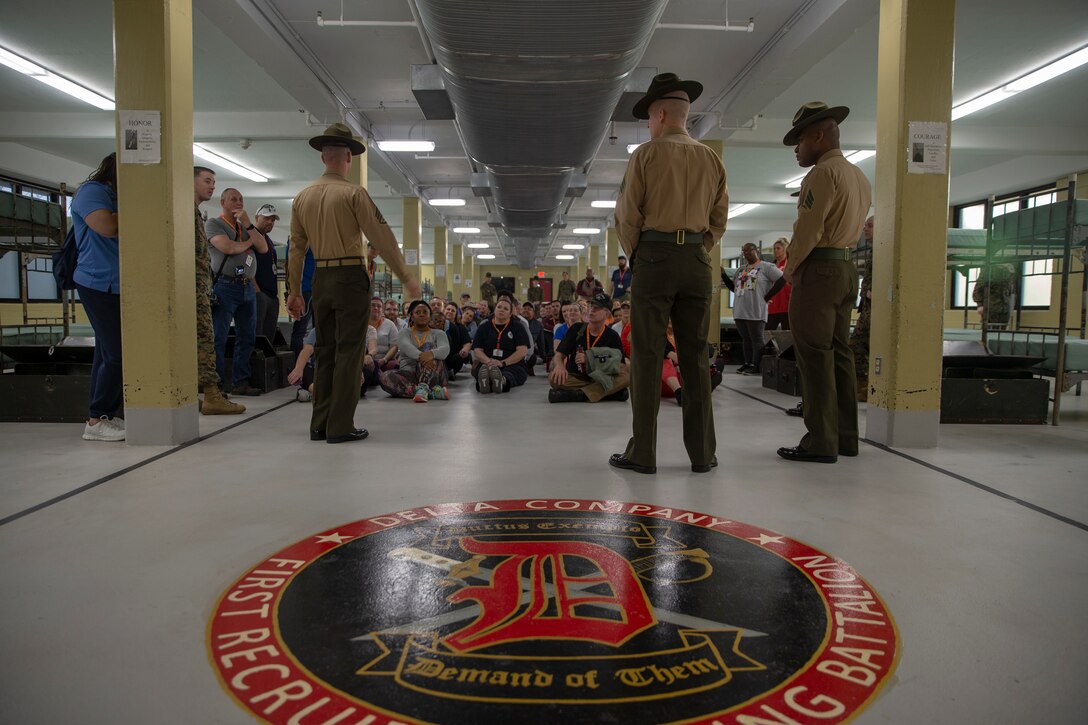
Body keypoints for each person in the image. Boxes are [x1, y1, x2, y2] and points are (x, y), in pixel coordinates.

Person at [611, 72, 728, 475]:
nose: (649, 123)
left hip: (655, 257)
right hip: (697, 261)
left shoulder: (645, 155)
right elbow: (719, 218)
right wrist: (697, 248)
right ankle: (702, 454)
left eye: (649, 116)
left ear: (660, 114)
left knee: (645, 355)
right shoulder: (712, 159)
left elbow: (627, 217)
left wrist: (642, 255)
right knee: (695, 356)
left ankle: (643, 452)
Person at [287, 122, 421, 443]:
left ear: (323, 158)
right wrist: (406, 277)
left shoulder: (301, 198)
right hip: (350, 277)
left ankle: (319, 424)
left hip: (321, 278)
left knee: (325, 350)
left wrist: (293, 291)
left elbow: (295, 248)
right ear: (349, 157)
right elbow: (383, 239)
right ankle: (341, 425)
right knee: (349, 352)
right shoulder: (353, 193)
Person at [776, 102, 872, 464]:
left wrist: (790, 268)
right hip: (847, 271)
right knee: (840, 356)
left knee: (814, 357)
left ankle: (819, 441)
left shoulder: (821, 174)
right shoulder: (858, 175)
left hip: (819, 272)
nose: (798, 149)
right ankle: (845, 437)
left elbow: (809, 229)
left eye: (800, 140)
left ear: (819, 134)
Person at [71, 153, 124, 441]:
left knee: (107, 352)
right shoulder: (92, 192)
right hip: (97, 282)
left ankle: (101, 415)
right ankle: (96, 419)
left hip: (119, 285)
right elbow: (107, 226)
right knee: (117, 353)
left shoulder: (114, 195)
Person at [205, 187, 268, 396]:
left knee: (247, 336)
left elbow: (264, 248)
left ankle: (241, 382)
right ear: (223, 202)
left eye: (241, 199)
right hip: (225, 287)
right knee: (219, 337)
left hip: (247, 287)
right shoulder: (214, 224)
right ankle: (217, 385)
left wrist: (249, 225)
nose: (238, 202)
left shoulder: (244, 227)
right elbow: (228, 248)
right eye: (233, 199)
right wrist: (249, 242)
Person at [193, 166, 244, 415]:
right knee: (208, 341)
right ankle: (212, 394)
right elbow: (228, 249)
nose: (211, 185)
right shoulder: (205, 220)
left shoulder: (195, 214)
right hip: (195, 288)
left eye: (214, 181)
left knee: (204, 341)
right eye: (207, 181)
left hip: (200, 287)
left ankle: (202, 394)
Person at [548, 292, 630, 403]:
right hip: (577, 377)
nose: (591, 310)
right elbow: (559, 355)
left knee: (626, 377)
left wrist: (593, 360)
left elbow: (621, 366)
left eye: (596, 308)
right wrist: (560, 366)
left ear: (607, 313)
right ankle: (607, 393)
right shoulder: (576, 329)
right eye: (591, 306)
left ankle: (579, 395)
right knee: (554, 378)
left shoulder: (613, 336)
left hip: (601, 378)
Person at [721, 243, 785, 375]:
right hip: (740, 310)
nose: (746, 254)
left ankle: (756, 365)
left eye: (749, 251)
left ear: (756, 251)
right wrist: (723, 275)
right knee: (746, 338)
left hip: (756, 309)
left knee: (756, 338)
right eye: (744, 251)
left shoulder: (767, 267)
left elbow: (782, 279)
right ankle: (747, 363)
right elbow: (735, 289)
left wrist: (768, 296)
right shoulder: (741, 270)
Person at [379, 300, 450, 401]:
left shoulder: (439, 333)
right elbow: (406, 346)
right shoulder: (404, 333)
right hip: (409, 374)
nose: (421, 315)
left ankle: (424, 387)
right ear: (411, 316)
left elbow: (445, 350)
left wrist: (431, 353)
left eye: (425, 312)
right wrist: (423, 356)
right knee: (384, 377)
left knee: (428, 347)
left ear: (430, 316)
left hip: (434, 375)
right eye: (418, 312)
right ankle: (430, 393)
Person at [472, 298, 530, 394]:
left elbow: (522, 351)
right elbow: (477, 350)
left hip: (511, 364)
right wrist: (489, 361)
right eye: (499, 307)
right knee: (483, 370)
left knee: (511, 373)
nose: (501, 310)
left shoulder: (518, 327)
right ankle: (485, 383)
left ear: (510, 314)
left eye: (505, 309)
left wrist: (503, 363)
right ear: (494, 310)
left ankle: (502, 381)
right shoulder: (483, 327)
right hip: (487, 363)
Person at [849, 216, 875, 401]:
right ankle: (862, 388)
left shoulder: (885, 251)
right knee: (856, 347)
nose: (865, 229)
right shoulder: (874, 251)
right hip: (867, 310)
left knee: (861, 348)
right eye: (865, 225)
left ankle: (866, 388)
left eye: (870, 226)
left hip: (876, 310)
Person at [252, 204, 281, 342]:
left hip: (272, 296)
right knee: (258, 336)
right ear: (257, 217)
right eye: (267, 218)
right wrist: (257, 292)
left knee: (269, 339)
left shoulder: (268, 240)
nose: (270, 222)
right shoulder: (251, 237)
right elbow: (246, 265)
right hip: (260, 294)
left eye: (273, 219)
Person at [286, 241, 315, 355]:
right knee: (300, 329)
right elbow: (293, 263)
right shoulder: (300, 239)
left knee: (320, 330)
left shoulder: (318, 238)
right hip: (305, 290)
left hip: (318, 290)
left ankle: (316, 363)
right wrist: (294, 291)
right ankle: (295, 363)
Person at [368, 296, 400, 376]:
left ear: (382, 310)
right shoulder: (361, 323)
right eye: (373, 305)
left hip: (385, 360)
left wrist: (384, 360)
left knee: (395, 366)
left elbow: (394, 346)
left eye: (379, 306)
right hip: (366, 360)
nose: (376, 308)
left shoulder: (389, 324)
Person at [441, 302, 473, 379]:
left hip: (453, 357)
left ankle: (449, 372)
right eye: (448, 309)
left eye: (453, 310)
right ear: (444, 311)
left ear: (456, 314)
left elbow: (467, 342)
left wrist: (464, 350)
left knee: (466, 356)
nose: (450, 312)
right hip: (440, 356)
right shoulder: (437, 324)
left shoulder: (460, 327)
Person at [766, 238, 791, 331]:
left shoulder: (790, 264)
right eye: (774, 248)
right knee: (767, 333)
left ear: (785, 249)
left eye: (778, 248)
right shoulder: (771, 265)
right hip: (773, 305)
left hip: (786, 305)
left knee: (788, 336)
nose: (775, 250)